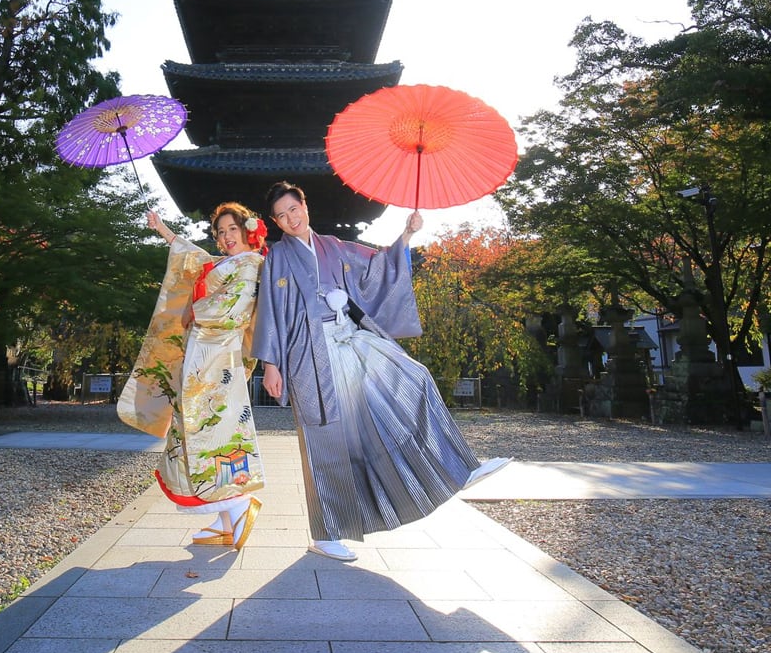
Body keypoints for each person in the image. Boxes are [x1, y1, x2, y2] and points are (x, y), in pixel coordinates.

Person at [252, 180, 511, 561]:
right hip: (310, 353)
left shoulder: (336, 247)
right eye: (282, 215)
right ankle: (326, 533)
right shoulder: (277, 257)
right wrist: (270, 364)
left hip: (351, 339)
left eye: (294, 209)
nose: (290, 218)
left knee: (415, 379)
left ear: (305, 207)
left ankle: (460, 467)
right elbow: (271, 311)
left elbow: (378, 268)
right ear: (275, 222)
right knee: (326, 440)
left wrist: (406, 233)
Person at [118, 203, 268, 550]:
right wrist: (162, 229)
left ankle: (240, 501)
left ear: (247, 229)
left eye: (232, 229)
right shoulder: (222, 263)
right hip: (201, 354)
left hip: (219, 357)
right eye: (220, 232)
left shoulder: (251, 264)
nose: (226, 237)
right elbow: (192, 257)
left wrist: (193, 309)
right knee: (194, 430)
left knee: (216, 429)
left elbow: (234, 306)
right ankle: (224, 517)